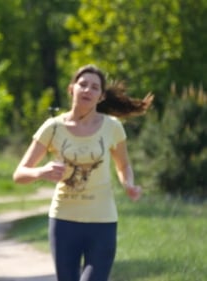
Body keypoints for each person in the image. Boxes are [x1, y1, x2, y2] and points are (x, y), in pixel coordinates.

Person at [12, 64, 154, 281]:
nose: (88, 90)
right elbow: (19, 174)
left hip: (103, 222)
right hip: (63, 221)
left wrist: (128, 185)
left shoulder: (113, 127)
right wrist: (42, 171)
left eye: (94, 87)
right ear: (72, 89)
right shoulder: (52, 127)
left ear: (101, 96)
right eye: (83, 84)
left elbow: (124, 165)